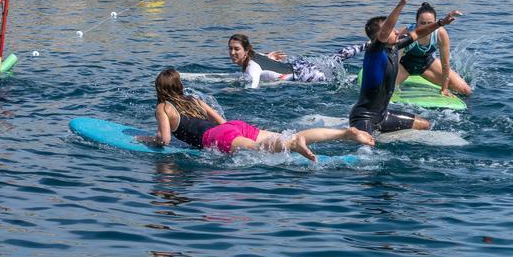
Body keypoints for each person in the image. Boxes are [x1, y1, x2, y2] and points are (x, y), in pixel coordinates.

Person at [153, 68, 373, 160]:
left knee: (269, 148)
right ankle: (345, 133)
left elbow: (165, 139)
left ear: (160, 90)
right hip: (233, 127)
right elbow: (222, 121)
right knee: (289, 136)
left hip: (217, 138)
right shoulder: (194, 100)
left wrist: (149, 140)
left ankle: (294, 146)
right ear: (179, 86)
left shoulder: (163, 107)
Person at [350, 0, 461, 135]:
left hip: (383, 115)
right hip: (364, 118)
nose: (396, 32)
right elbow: (385, 31)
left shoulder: (395, 46)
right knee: (366, 149)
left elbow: (418, 33)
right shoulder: (374, 52)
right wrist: (402, 3)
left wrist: (441, 23)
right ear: (380, 36)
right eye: (391, 30)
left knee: (425, 125)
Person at [397, 2, 472, 98]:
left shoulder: (440, 34)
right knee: (383, 90)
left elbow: (445, 64)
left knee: (466, 90)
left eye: (430, 23)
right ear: (416, 22)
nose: (426, 27)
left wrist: (444, 89)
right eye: (422, 23)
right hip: (404, 66)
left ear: (435, 23)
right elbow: (394, 60)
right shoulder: (407, 32)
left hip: (427, 64)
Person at [229, 34, 366, 85]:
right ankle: (367, 45)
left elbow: (252, 88)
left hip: (304, 74)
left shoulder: (251, 68)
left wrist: (234, 91)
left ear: (246, 50)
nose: (232, 52)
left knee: (340, 83)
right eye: (230, 48)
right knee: (335, 58)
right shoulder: (255, 55)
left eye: (236, 49)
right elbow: (264, 59)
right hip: (300, 65)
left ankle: (361, 81)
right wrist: (270, 58)